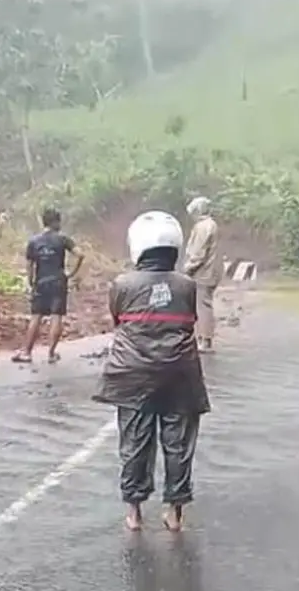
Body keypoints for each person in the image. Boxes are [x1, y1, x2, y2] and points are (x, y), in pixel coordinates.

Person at [93, 210, 210, 533]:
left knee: (134, 441)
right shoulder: (187, 285)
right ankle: (174, 512)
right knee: (178, 444)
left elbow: (117, 320)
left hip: (132, 374)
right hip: (180, 374)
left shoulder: (122, 284)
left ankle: (134, 512)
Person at [11, 207, 84, 364]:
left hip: (41, 282)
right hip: (58, 281)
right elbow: (80, 254)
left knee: (36, 316)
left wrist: (30, 282)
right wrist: (70, 274)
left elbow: (30, 265)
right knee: (56, 316)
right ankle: (51, 354)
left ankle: (27, 352)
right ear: (56, 222)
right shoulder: (63, 239)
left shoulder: (34, 241)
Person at [182, 197, 222, 353]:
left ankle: (205, 341)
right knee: (203, 305)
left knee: (202, 306)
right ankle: (202, 338)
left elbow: (198, 253)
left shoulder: (203, 227)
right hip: (209, 272)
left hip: (203, 273)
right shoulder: (211, 224)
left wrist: (187, 269)